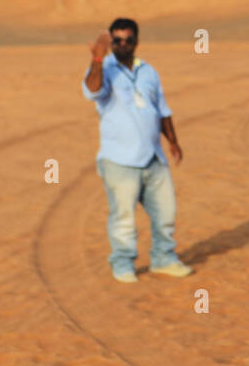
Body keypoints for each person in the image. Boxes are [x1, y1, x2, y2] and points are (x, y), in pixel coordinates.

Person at [82, 18, 192, 283]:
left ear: (136, 42)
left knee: (166, 213)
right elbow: (92, 90)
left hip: (153, 158)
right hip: (120, 162)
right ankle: (122, 264)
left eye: (127, 40)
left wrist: (173, 141)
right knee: (123, 218)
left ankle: (164, 259)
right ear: (110, 42)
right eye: (116, 40)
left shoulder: (148, 71)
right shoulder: (104, 70)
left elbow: (162, 109)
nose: (122, 45)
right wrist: (97, 58)